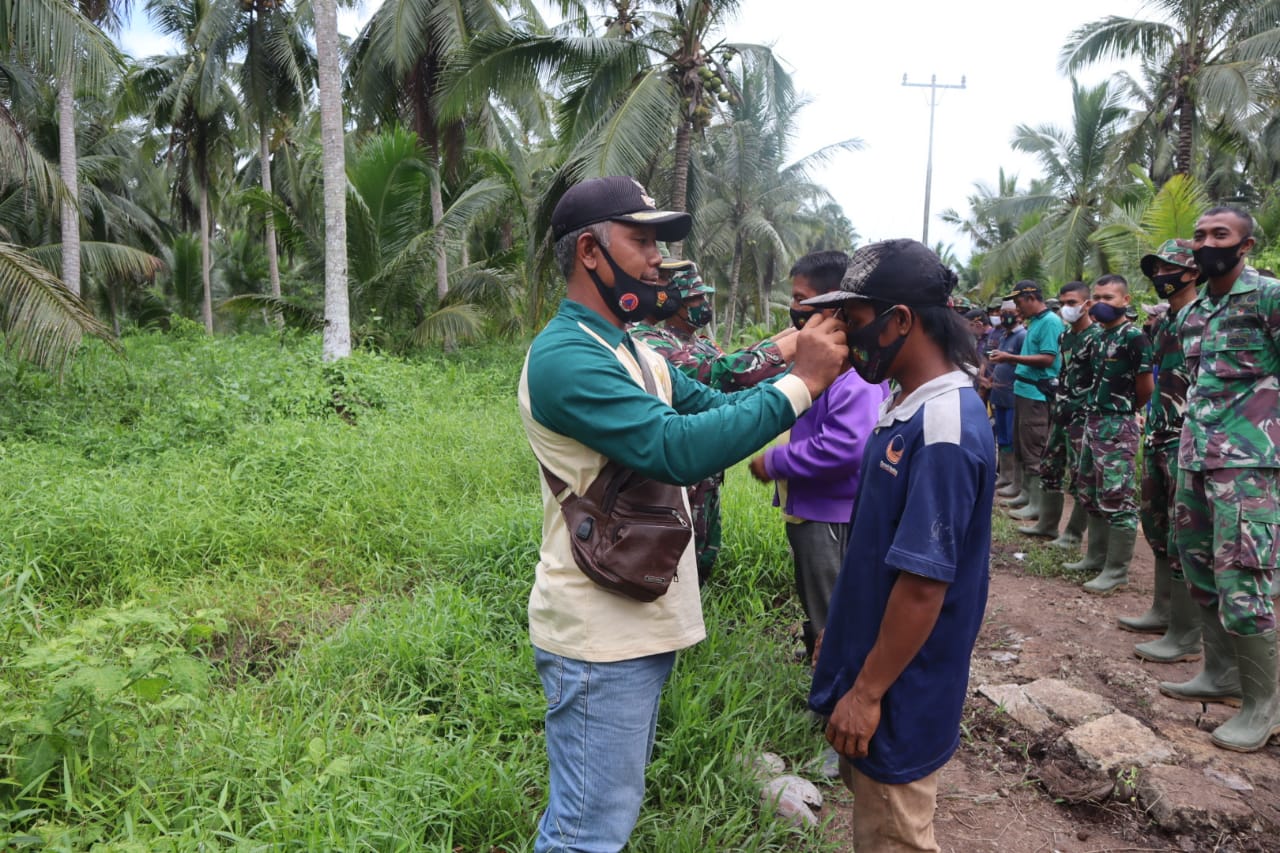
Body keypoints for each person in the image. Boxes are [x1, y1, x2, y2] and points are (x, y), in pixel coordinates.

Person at [520, 176, 846, 851]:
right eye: (641, 241)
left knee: (606, 813)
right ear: (589, 251)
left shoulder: (631, 349)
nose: (657, 260)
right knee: (586, 833)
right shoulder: (566, 357)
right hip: (598, 635)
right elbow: (676, 448)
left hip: (632, 620)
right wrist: (803, 382)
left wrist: (791, 371)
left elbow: (714, 410)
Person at [805, 239, 994, 852]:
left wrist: (865, 694)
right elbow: (877, 545)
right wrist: (841, 633)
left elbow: (922, 584)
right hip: (877, 665)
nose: (849, 337)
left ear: (901, 320)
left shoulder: (942, 429)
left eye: (857, 321)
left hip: (901, 688)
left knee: (895, 833)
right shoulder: (905, 405)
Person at [748, 251, 889, 779]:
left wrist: (775, 461)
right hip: (814, 507)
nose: (795, 311)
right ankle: (824, 701)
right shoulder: (831, 366)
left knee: (834, 619)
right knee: (820, 615)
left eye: (802, 301)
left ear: (833, 305)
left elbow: (846, 448)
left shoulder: (854, 375)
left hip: (831, 514)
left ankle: (839, 727)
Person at [1160, 206, 1280, 752]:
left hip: (1248, 466)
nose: (1207, 243)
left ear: (1245, 245)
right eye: (1201, 234)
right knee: (1199, 568)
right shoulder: (1193, 312)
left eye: (1220, 234)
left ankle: (1263, 707)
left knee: (1243, 578)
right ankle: (1220, 673)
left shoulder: (1269, 297)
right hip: (1195, 458)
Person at [630, 259, 796, 582]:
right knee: (675, 551)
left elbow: (740, 367)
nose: (703, 305)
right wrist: (788, 346)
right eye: (695, 299)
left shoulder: (703, 343)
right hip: (677, 466)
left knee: (706, 547)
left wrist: (790, 341)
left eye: (704, 297)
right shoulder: (650, 340)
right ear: (675, 302)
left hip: (708, 469)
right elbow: (720, 373)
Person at [1124, 241, 1203, 651]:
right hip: (1158, 434)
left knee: (1183, 535)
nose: (1159, 276)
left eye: (1167, 268)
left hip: (1187, 439)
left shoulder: (1204, 317)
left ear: (1192, 272)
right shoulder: (1165, 322)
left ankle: (1186, 634)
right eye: (1154, 270)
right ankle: (1162, 611)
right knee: (1155, 524)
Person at [1070, 275, 1153, 593]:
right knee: (1089, 490)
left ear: (1125, 301)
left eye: (1109, 297)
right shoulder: (1099, 336)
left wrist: (1126, 410)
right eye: (1098, 297)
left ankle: (1117, 570)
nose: (1102, 303)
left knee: (1117, 497)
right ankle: (1095, 557)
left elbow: (1146, 387)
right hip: (1093, 421)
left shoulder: (1134, 337)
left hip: (1117, 424)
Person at [1018, 282, 1102, 543]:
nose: (1066, 308)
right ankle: (1047, 525)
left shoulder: (1097, 338)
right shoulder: (1066, 336)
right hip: (1061, 411)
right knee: (1049, 467)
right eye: (1063, 302)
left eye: (1072, 303)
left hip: (1083, 417)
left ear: (1087, 304)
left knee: (1080, 477)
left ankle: (1073, 535)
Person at [988, 282, 1064, 520]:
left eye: (1019, 302)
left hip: (1036, 393)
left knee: (1033, 448)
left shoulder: (1050, 322)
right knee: (1021, 446)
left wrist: (1010, 357)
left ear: (1031, 297)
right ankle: (1025, 493)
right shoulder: (1036, 322)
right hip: (1023, 390)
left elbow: (1048, 358)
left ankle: (1037, 504)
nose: (1018, 309)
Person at [987, 302, 1026, 496]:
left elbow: (1023, 362)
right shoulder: (1004, 335)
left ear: (1018, 314)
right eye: (1002, 313)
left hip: (1012, 393)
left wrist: (1006, 359)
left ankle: (1015, 480)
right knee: (1002, 436)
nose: (1004, 317)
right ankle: (1004, 475)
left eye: (1009, 313)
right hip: (999, 393)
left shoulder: (1022, 336)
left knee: (1012, 436)